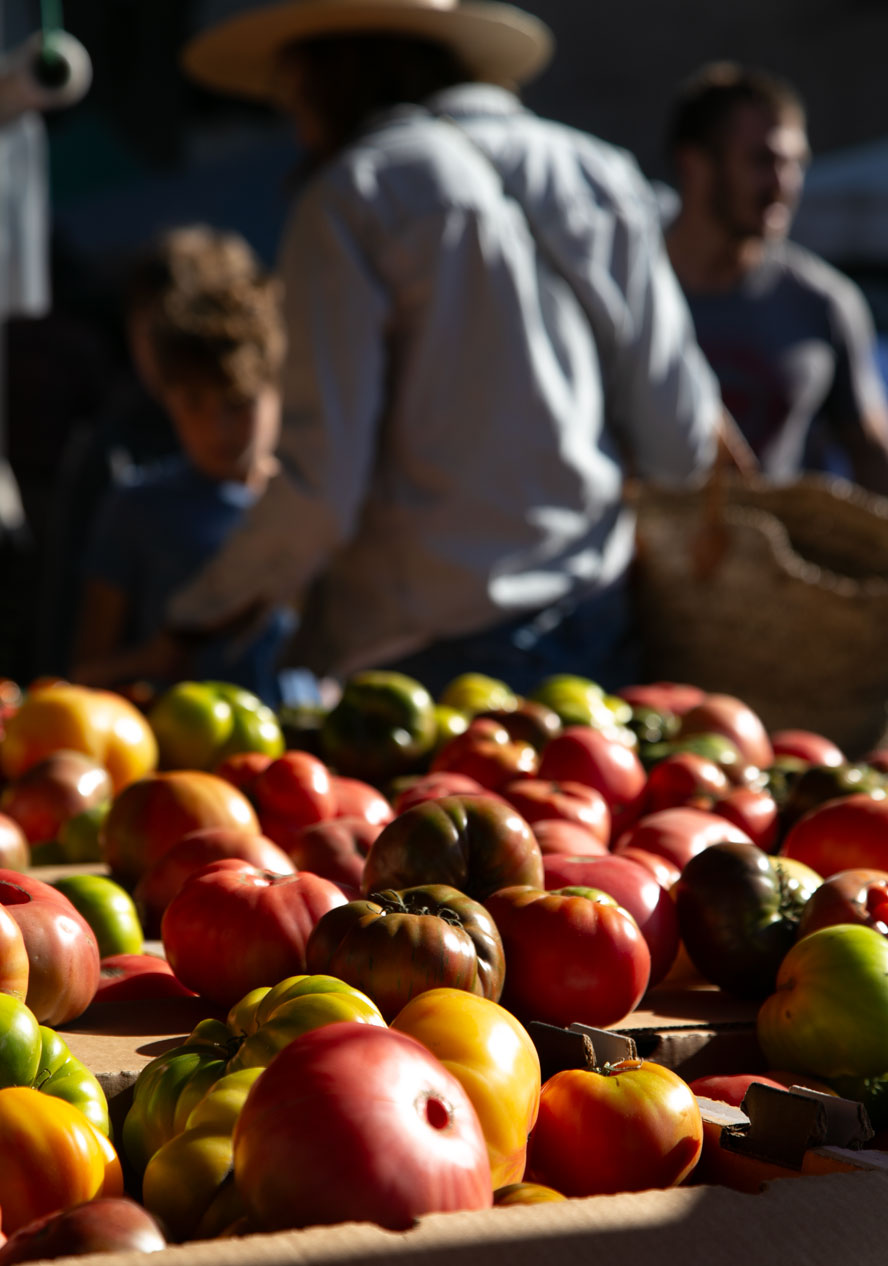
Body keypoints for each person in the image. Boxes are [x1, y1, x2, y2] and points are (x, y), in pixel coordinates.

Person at [166, 0, 722, 699]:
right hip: (600, 624)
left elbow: (322, 485)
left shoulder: (355, 194)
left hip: (433, 650)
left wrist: (203, 610)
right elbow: (680, 444)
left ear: (327, 76)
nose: (296, 124)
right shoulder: (598, 172)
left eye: (293, 94)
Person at [71, 234, 299, 707]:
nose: (218, 428)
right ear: (167, 399)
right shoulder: (135, 508)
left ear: (279, 389)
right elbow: (83, 674)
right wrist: (155, 658)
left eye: (238, 403)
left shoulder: (313, 505)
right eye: (194, 403)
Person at [664, 61, 888, 493]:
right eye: (762, 160)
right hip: (641, 533)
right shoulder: (626, 292)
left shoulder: (821, 302)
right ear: (693, 165)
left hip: (771, 534)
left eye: (795, 164)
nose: (784, 183)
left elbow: (870, 450)